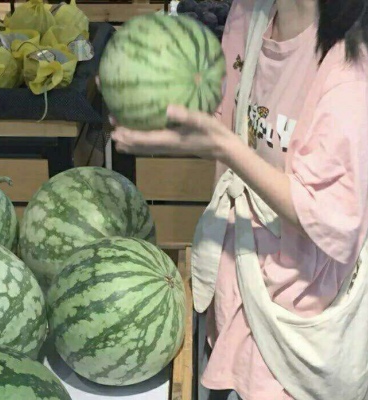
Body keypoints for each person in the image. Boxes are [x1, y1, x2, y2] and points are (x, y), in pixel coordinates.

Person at [111, 1, 368, 399]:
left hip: (299, 313)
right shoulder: (249, 14)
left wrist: (225, 146)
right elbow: (227, 127)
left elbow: (326, 213)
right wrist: (157, 127)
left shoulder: (352, 63)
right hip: (238, 278)